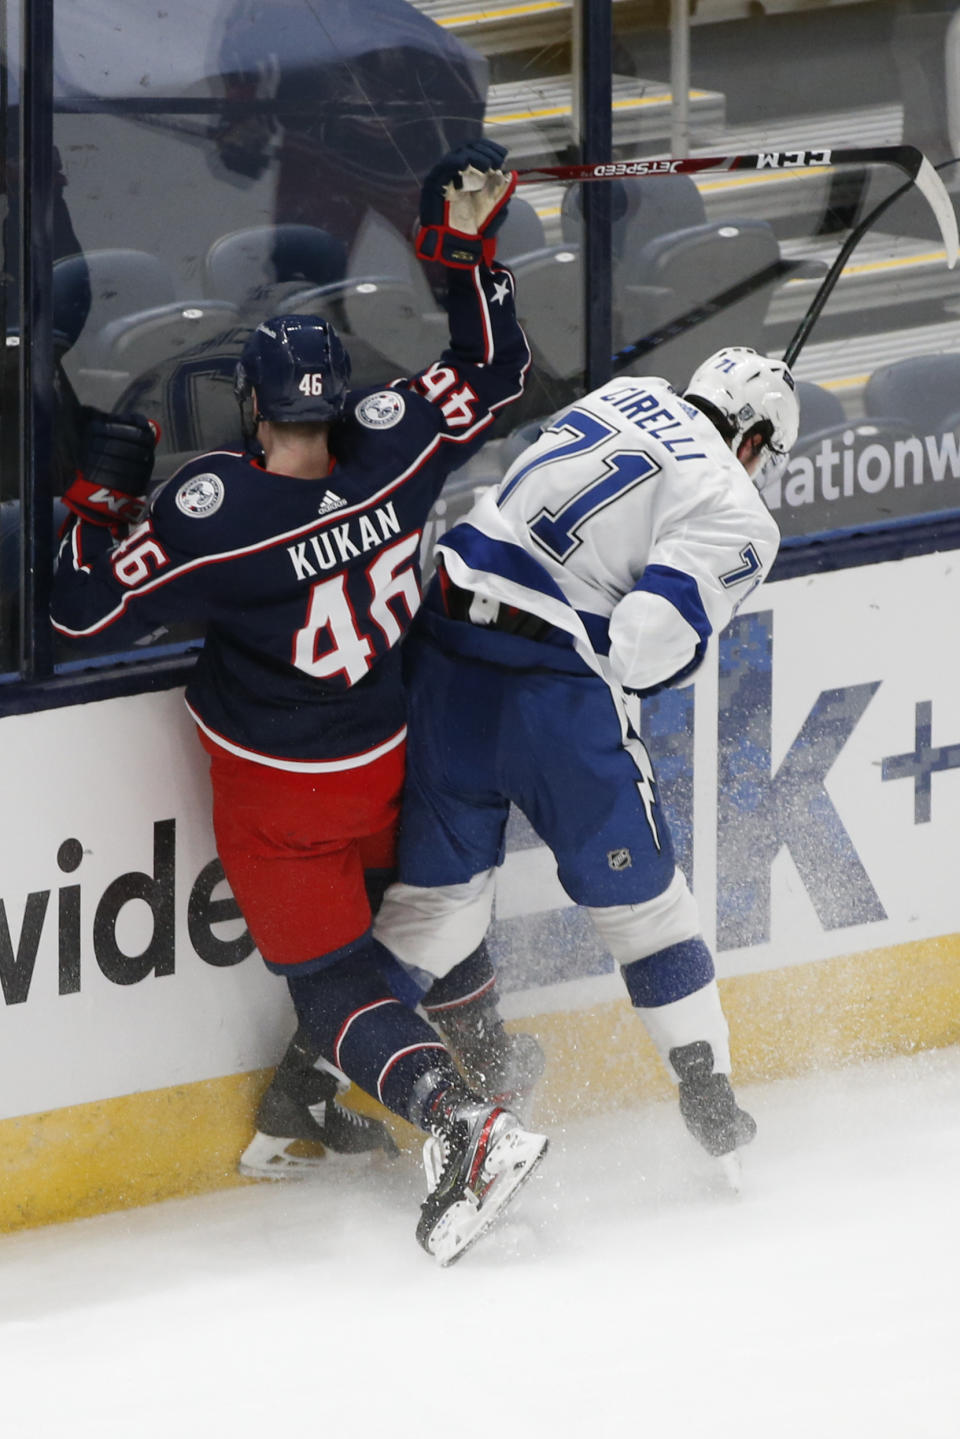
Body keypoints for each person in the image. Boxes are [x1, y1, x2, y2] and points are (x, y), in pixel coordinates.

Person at [49, 140, 550, 1267]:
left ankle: (462, 1120)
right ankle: (492, 1057)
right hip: (390, 746)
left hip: (282, 789)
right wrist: (465, 254)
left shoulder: (212, 510)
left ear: (249, 404)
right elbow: (497, 368)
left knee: (331, 979)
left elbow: (80, 614)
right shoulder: (396, 441)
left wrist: (98, 504)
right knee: (408, 909)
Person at [368, 346, 800, 1180]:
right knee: (646, 910)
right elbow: (641, 651)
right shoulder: (738, 508)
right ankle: (710, 1099)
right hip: (550, 698)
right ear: (754, 441)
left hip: (442, 646)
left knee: (438, 909)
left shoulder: (629, 394)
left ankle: (301, 1090)